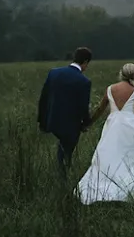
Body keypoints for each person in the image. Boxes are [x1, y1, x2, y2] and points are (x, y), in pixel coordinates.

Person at [77, 63, 134, 203]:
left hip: (112, 125)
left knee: (108, 154)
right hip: (130, 127)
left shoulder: (110, 89)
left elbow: (100, 109)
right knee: (127, 157)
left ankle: (103, 185)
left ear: (121, 74)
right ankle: (126, 186)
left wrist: (89, 123)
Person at [37, 47, 93, 176]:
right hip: (70, 125)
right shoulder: (84, 81)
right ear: (85, 62)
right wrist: (86, 123)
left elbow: (44, 98)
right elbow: (83, 107)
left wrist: (42, 121)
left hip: (52, 120)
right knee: (66, 152)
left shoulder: (54, 73)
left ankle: (62, 173)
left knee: (63, 149)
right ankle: (62, 176)